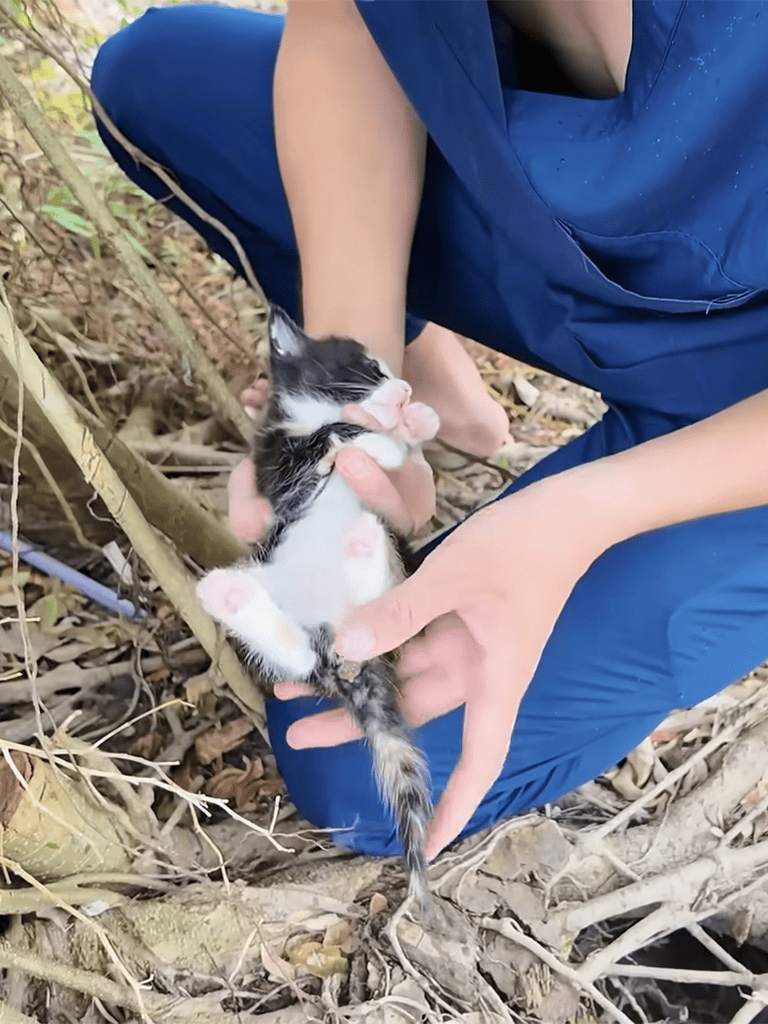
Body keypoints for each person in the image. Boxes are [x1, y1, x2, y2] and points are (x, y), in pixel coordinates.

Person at [92, 1, 768, 864]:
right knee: (158, 78)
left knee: (366, 771)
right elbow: (353, 21)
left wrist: (587, 514)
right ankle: (432, 382)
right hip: (563, 220)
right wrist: (347, 403)